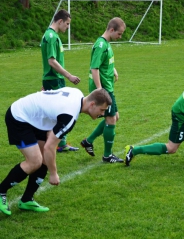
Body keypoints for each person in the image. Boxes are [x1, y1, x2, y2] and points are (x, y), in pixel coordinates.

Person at [0, 87, 112, 216]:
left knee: (45, 159)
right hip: (19, 117)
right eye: (102, 110)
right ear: (92, 104)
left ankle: (26, 200)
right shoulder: (70, 115)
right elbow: (50, 147)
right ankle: (1, 191)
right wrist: (53, 174)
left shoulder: (77, 93)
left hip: (37, 119)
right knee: (35, 161)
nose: (102, 114)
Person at [80, 17, 126, 163]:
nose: (120, 37)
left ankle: (89, 141)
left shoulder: (106, 43)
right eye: (119, 34)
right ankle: (107, 155)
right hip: (104, 88)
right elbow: (94, 68)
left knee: (114, 117)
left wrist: (114, 70)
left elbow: (105, 62)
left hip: (108, 86)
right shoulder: (100, 45)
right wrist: (100, 89)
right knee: (111, 118)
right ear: (111, 30)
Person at [41, 9, 81, 153]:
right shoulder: (51, 36)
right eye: (67, 24)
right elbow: (51, 61)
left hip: (52, 79)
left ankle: (60, 143)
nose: (68, 27)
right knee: (59, 112)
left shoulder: (51, 35)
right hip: (54, 80)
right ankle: (56, 143)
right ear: (60, 21)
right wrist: (69, 76)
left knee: (59, 111)